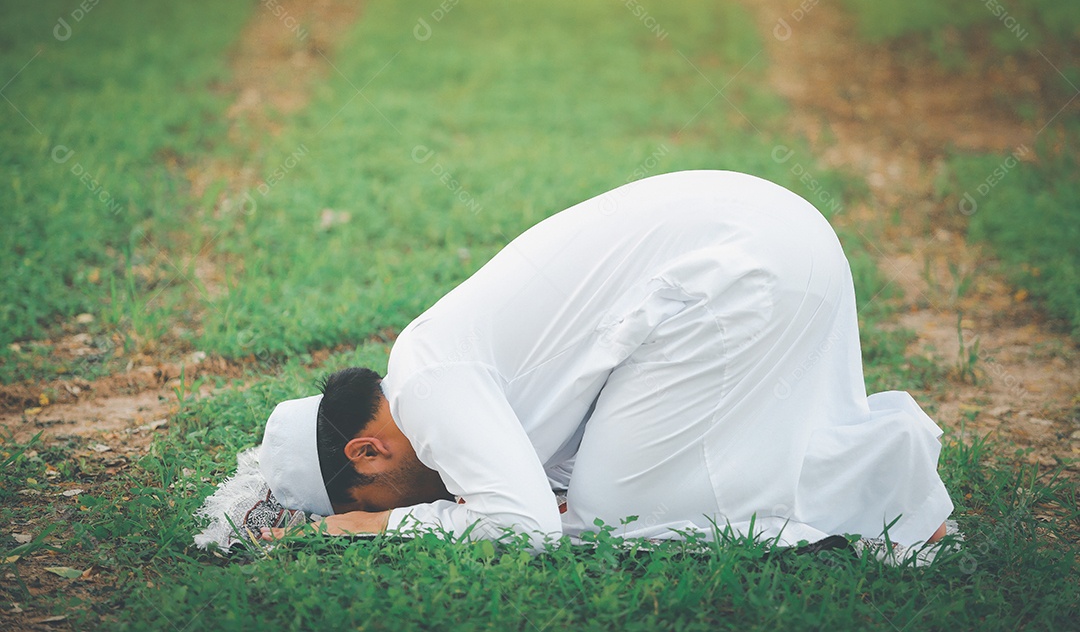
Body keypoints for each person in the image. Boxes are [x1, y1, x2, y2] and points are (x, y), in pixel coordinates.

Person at [258, 170, 952, 549]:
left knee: (611, 517)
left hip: (740, 268)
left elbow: (526, 528)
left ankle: (881, 483)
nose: (387, 503)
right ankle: (886, 472)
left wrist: (386, 523)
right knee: (709, 457)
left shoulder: (426, 385)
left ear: (368, 453)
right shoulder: (434, 358)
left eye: (370, 497)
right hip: (785, 232)